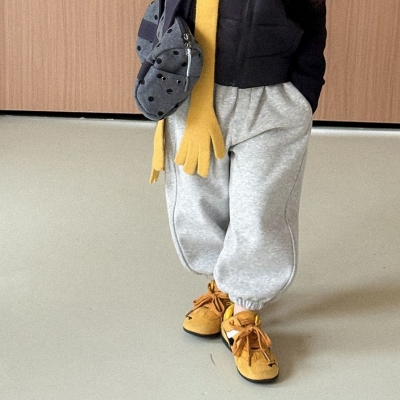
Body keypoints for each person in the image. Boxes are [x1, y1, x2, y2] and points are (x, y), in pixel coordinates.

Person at [149, 0, 327, 383]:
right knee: (197, 199)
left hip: (274, 99)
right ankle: (222, 286)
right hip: (196, 92)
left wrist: (305, 90)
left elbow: (312, 13)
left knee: (261, 208)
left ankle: (244, 311)